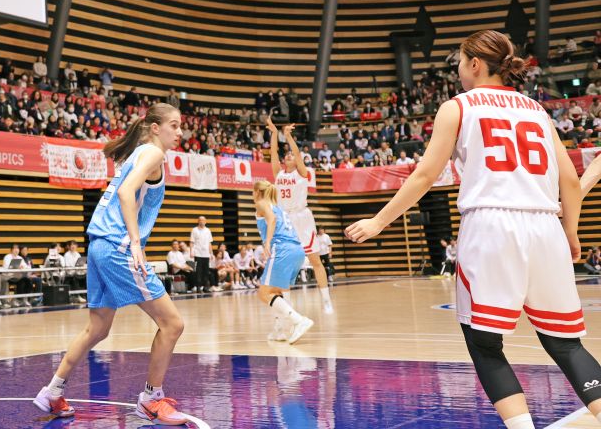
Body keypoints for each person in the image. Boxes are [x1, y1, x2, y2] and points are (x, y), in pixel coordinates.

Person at [346, 29, 601, 429]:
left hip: (491, 226)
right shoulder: (537, 110)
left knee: (484, 344)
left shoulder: (458, 107)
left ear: (476, 64)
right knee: (565, 343)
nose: (459, 71)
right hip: (545, 226)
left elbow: (425, 175)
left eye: (461, 64)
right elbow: (570, 181)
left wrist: (379, 221)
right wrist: (570, 232)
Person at [33, 103, 191, 424]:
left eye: (180, 126)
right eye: (174, 125)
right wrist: (135, 242)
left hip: (99, 245)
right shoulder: (152, 153)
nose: (180, 132)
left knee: (98, 328)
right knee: (172, 324)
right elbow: (126, 193)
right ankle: (151, 399)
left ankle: (52, 391)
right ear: (155, 128)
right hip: (117, 246)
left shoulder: (138, 154)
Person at [268, 118, 334, 314]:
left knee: (315, 260)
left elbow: (297, 153)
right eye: (287, 155)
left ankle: (326, 300)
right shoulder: (279, 174)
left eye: (291, 155)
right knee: (284, 264)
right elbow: (273, 153)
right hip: (285, 220)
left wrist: (288, 136)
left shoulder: (301, 173)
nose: (289, 155)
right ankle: (288, 304)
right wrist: (274, 133)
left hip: (302, 217)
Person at [253, 180, 314, 345]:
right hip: (297, 250)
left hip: (282, 249)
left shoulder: (261, 203)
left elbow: (272, 220)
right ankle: (279, 329)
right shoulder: (278, 207)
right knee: (276, 291)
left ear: (257, 192)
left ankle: (298, 321)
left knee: (264, 293)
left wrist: (267, 242)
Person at [189, 216, 214, 292]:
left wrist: (211, 253)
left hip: (206, 254)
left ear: (205, 221)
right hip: (198, 253)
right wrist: (191, 251)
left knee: (206, 271)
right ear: (198, 221)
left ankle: (205, 287)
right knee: (198, 271)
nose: (202, 221)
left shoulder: (208, 230)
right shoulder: (194, 230)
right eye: (200, 220)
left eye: (203, 220)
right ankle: (198, 287)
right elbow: (192, 242)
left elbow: (209, 243)